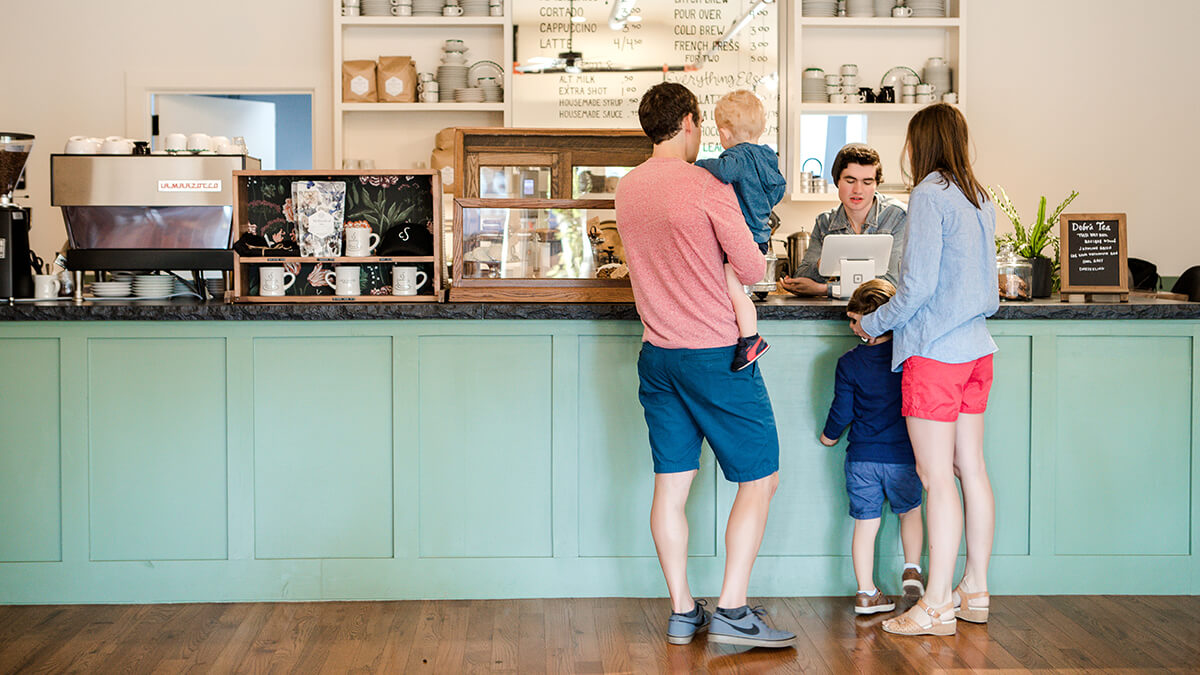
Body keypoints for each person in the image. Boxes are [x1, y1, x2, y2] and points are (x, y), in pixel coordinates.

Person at [615, 82, 796, 649]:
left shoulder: (627, 188)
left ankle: (682, 611)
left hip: (658, 356)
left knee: (671, 486)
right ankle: (734, 610)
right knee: (760, 477)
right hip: (717, 356)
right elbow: (749, 264)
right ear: (690, 121)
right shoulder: (706, 184)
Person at [850, 103, 999, 637]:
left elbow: (915, 288)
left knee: (937, 480)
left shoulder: (929, 194)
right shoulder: (979, 196)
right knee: (971, 471)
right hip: (978, 349)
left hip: (935, 354)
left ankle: (935, 604)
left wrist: (872, 321)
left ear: (922, 143)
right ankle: (974, 589)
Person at [819, 279, 925, 615]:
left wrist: (829, 435)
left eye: (853, 319)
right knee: (910, 512)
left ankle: (866, 593)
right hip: (904, 456)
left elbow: (842, 410)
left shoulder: (849, 363)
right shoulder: (910, 359)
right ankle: (912, 567)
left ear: (868, 323)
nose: (850, 325)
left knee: (866, 523)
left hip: (862, 458)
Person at [695, 89, 787, 371]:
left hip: (741, 237)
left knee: (734, 290)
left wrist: (698, 165)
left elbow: (723, 172)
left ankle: (751, 339)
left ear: (723, 133)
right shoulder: (768, 157)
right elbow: (779, 188)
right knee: (734, 287)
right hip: (759, 236)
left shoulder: (737, 156)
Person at [780, 143, 907, 297]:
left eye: (867, 182)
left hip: (882, 314)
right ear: (837, 181)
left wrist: (825, 289)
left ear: (876, 184)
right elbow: (803, 279)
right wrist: (825, 262)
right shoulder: (825, 222)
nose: (858, 190)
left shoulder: (897, 216)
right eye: (850, 181)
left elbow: (889, 284)